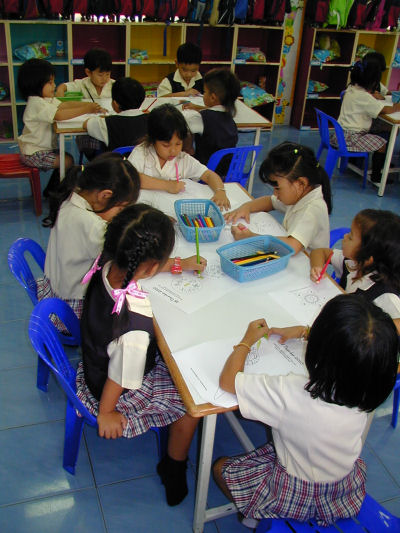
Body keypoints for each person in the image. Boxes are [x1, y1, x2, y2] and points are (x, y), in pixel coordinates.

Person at [213, 294, 398, 528]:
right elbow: (352, 351)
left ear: (319, 350)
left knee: (221, 468)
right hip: (343, 490)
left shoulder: (292, 392)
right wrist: (303, 331)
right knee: (275, 450)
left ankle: (260, 514)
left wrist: (246, 341)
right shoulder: (365, 390)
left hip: (294, 494)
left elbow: (228, 381)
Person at [76, 203, 199, 506]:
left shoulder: (107, 261)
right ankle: (173, 467)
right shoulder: (135, 328)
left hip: (94, 358)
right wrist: (106, 412)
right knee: (192, 403)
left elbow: (139, 264)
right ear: (151, 267)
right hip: (109, 388)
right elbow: (120, 377)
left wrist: (178, 263)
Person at [37, 153, 140, 318]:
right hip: (70, 312)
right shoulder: (92, 226)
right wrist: (179, 263)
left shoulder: (70, 196)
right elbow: (129, 260)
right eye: (120, 209)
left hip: (53, 293)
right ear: (104, 196)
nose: (121, 215)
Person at [224, 142, 331, 253]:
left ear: (301, 183)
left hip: (309, 266)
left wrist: (250, 238)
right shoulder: (299, 194)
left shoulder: (312, 209)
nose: (275, 194)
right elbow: (269, 201)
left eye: (278, 188)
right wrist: (246, 207)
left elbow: (292, 246)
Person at [17, 58, 103, 196]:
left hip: (40, 149)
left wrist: (88, 106)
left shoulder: (45, 99)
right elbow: (59, 115)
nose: (54, 85)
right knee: (67, 161)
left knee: (67, 159)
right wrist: (86, 108)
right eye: (50, 82)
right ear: (35, 84)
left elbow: (64, 105)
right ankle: (56, 192)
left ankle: (53, 190)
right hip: (33, 153)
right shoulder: (36, 103)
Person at [310, 209, 400, 334]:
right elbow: (319, 252)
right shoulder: (354, 263)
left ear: (368, 257)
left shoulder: (386, 296)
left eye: (351, 237)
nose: (345, 236)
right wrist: (317, 267)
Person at [128, 103, 231, 210]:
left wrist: (220, 191)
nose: (173, 150)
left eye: (178, 144)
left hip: (170, 211)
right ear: (153, 140)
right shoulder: (141, 153)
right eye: (166, 145)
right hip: (144, 212)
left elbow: (209, 175)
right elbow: (132, 178)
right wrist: (167, 185)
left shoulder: (183, 159)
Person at [337, 56, 400, 184]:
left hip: (341, 134)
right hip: (352, 137)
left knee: (386, 129)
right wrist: (397, 106)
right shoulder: (365, 97)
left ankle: (381, 164)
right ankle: (377, 176)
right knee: (382, 142)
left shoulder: (351, 88)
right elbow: (386, 110)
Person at [56, 48, 114, 161]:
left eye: (108, 74)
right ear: (88, 72)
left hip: (108, 130)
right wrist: (60, 91)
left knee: (112, 146)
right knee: (98, 151)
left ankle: (104, 164)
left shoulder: (114, 85)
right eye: (100, 75)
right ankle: (100, 165)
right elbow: (63, 87)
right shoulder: (82, 84)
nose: (105, 79)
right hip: (86, 132)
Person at [182, 68, 240, 175]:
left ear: (213, 97)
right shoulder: (230, 120)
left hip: (205, 173)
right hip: (226, 174)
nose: (203, 95)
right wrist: (199, 108)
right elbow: (214, 113)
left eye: (205, 92)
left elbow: (182, 125)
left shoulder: (201, 118)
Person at [83, 77, 148, 151]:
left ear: (115, 103)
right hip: (144, 162)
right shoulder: (151, 119)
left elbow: (85, 124)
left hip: (117, 162)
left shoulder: (107, 123)